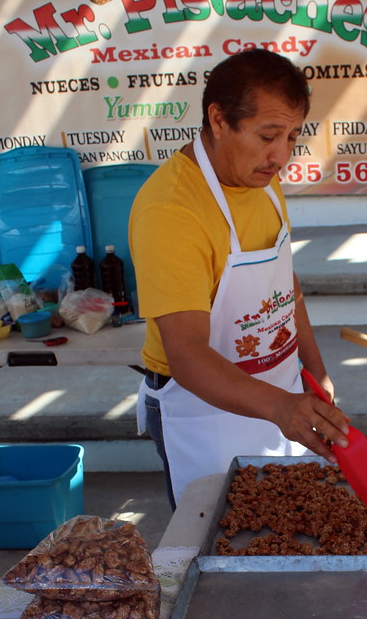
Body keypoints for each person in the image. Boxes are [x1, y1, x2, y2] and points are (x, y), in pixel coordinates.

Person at [129, 50, 350, 508]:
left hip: (281, 389)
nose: (281, 155)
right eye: (268, 135)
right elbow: (188, 356)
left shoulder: (261, 180)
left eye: (291, 136)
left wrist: (316, 370)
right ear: (218, 119)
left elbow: (284, 287)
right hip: (205, 412)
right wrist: (281, 407)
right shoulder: (171, 211)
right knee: (221, 546)